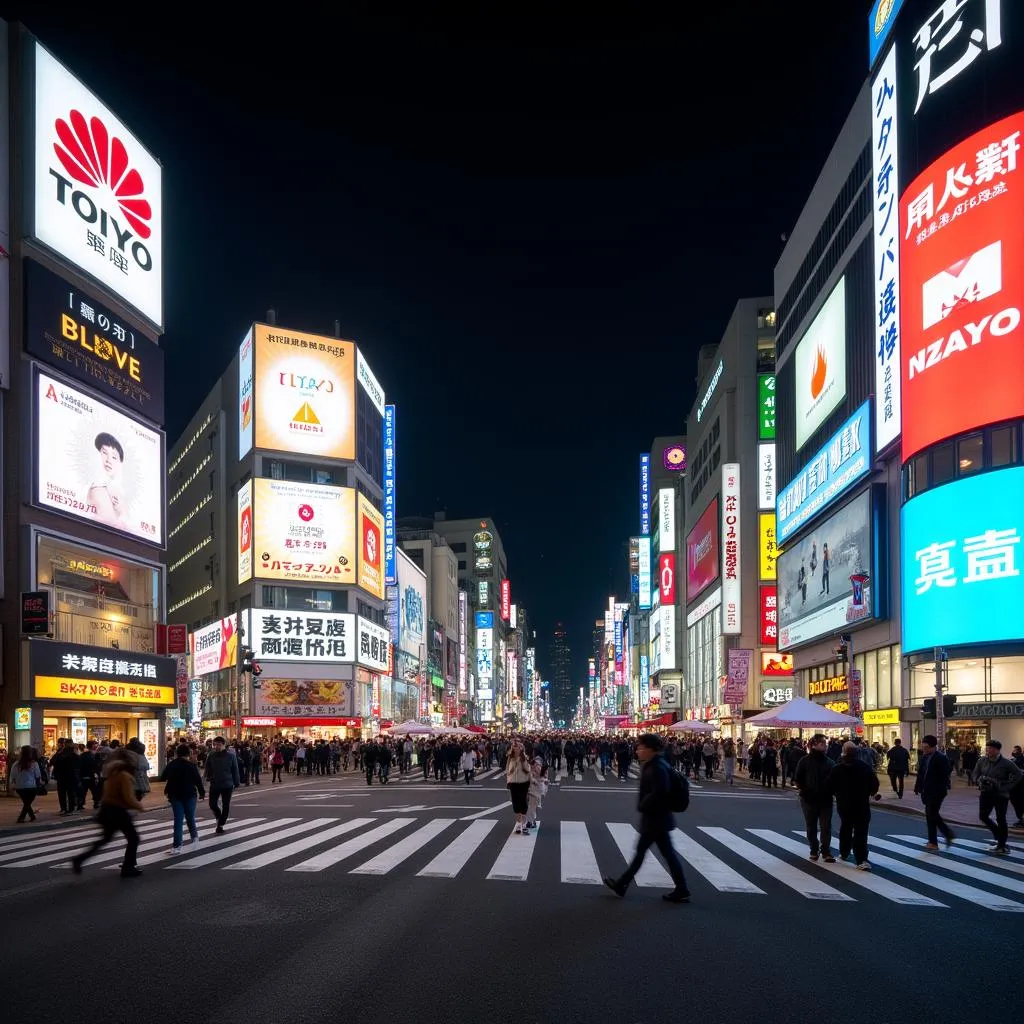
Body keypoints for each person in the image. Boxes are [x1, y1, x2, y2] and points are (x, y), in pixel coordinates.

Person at [602, 733, 690, 903]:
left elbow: (661, 791)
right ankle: (681, 888)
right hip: (657, 818)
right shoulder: (655, 763)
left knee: (646, 853)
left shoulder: (657, 766)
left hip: (656, 818)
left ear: (650, 749)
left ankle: (623, 884)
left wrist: (644, 804)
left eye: (641, 747)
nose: (637, 750)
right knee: (660, 854)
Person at [71, 749, 147, 878]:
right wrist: (139, 806)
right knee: (133, 838)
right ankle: (128, 867)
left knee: (105, 839)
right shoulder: (125, 775)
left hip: (108, 809)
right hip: (119, 811)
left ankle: (79, 859)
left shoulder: (114, 773)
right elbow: (128, 797)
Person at [826, 741, 881, 870]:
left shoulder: (837, 768)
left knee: (846, 827)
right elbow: (874, 783)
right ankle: (861, 858)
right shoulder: (864, 767)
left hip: (844, 803)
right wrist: (869, 792)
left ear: (843, 753)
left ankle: (844, 852)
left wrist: (836, 793)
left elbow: (829, 785)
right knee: (861, 831)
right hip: (861, 803)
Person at [972, 739, 1023, 855]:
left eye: (991, 749)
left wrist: (1007, 786)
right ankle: (999, 836)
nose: (988, 750)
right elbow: (976, 773)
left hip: (1001, 794)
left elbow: (1019, 775)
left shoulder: (1007, 763)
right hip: (985, 793)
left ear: (997, 750)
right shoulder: (982, 760)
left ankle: (1002, 846)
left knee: (1001, 819)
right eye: (987, 748)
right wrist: (978, 781)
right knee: (983, 816)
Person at [793, 734, 836, 862]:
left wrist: (832, 790)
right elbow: (797, 778)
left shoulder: (830, 762)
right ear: (814, 744)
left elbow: (834, 780)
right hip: (808, 798)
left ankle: (826, 851)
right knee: (811, 826)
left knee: (826, 826)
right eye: (821, 743)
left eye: (825, 743)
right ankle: (814, 848)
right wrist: (804, 789)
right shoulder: (805, 761)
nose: (824, 745)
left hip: (825, 799)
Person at [160, 743, 206, 855]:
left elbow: (163, 777)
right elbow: (198, 780)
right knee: (190, 817)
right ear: (188, 754)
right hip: (190, 794)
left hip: (175, 795)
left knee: (178, 820)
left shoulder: (172, 765)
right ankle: (194, 838)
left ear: (176, 753)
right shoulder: (191, 765)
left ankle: (177, 846)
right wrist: (202, 793)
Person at [914, 734, 954, 850]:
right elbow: (921, 774)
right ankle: (934, 841)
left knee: (931, 814)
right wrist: (918, 787)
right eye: (923, 747)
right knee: (930, 815)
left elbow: (944, 776)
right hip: (926, 790)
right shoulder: (924, 757)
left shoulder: (941, 758)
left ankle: (945, 835)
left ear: (933, 746)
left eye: (926, 747)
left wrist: (938, 788)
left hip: (937, 791)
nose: (924, 749)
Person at [87, 431, 128, 529]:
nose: (108, 460)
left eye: (114, 457)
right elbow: (113, 529)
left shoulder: (115, 492)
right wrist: (122, 514)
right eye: (104, 452)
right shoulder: (98, 490)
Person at [204, 736, 240, 834]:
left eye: (219, 745)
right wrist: (206, 779)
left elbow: (235, 770)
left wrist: (237, 783)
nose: (216, 747)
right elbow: (207, 768)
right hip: (214, 783)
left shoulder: (231, 756)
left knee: (226, 805)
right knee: (212, 804)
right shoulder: (211, 755)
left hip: (227, 784)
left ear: (224, 745)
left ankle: (220, 824)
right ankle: (219, 816)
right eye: (215, 745)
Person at [505, 740, 531, 834]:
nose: (516, 748)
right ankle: (518, 822)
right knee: (515, 803)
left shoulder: (524, 757)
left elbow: (528, 769)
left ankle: (524, 823)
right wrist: (508, 780)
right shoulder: (510, 758)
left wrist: (522, 759)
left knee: (523, 801)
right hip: (513, 782)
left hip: (523, 782)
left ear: (521, 748)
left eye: (518, 747)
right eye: (514, 747)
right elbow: (507, 769)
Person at [10, 746, 43, 823]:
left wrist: (13, 785)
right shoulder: (34, 764)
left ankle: (32, 816)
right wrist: (39, 784)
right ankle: (22, 817)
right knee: (27, 803)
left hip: (20, 787)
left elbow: (13, 776)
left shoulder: (16, 764)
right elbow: (38, 776)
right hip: (32, 786)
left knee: (26, 802)